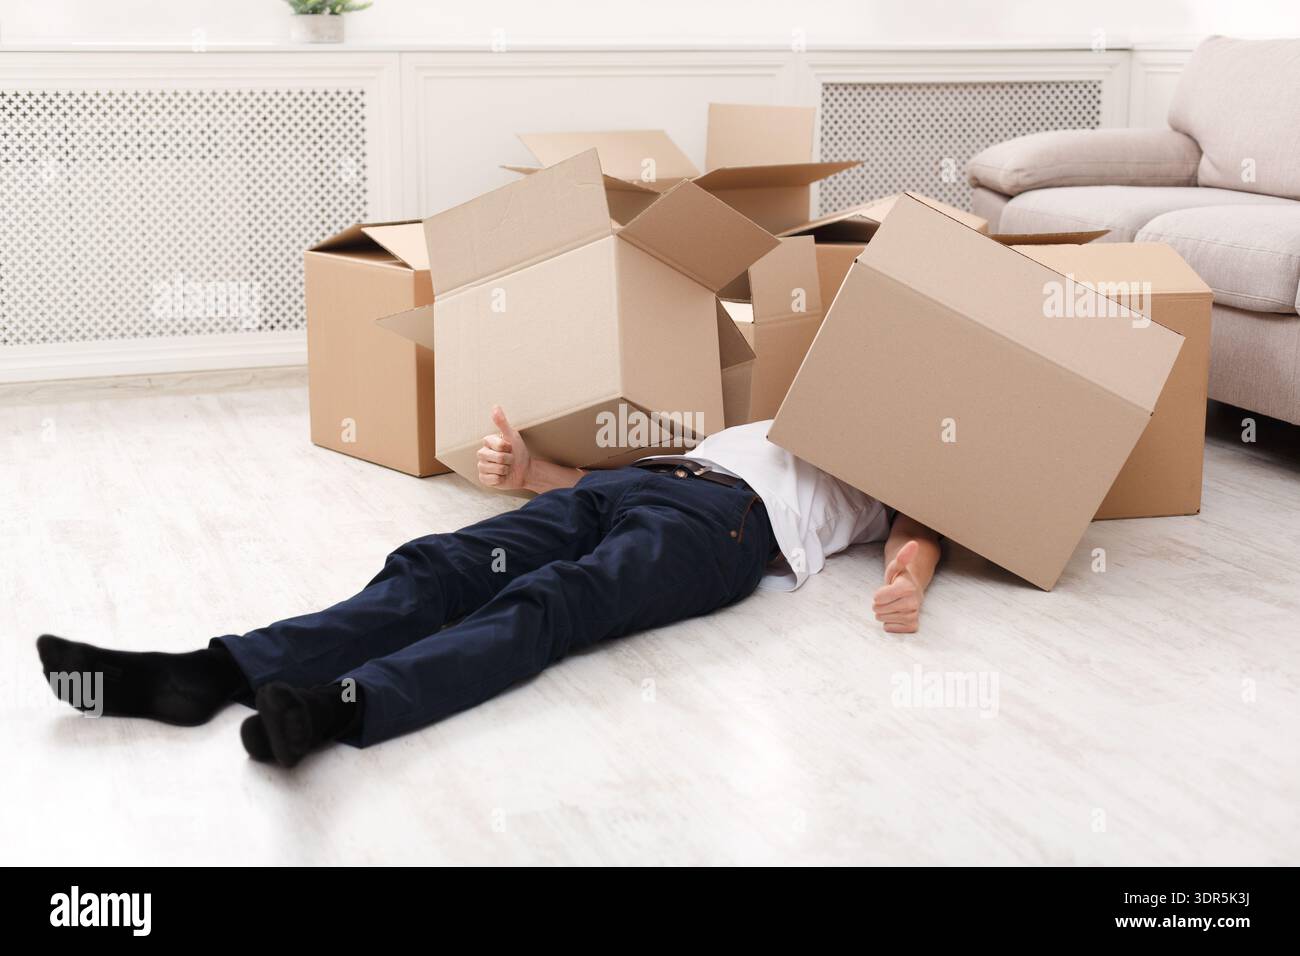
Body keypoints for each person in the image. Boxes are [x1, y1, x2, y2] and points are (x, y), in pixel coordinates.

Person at [38, 407, 942, 767]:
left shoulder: (907, 457)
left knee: (552, 604)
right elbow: (594, 474)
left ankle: (338, 708)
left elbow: (919, 531)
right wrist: (529, 473)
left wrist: (908, 579)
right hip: (631, 482)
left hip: (724, 529)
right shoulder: (787, 405)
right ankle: (203, 673)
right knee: (438, 566)